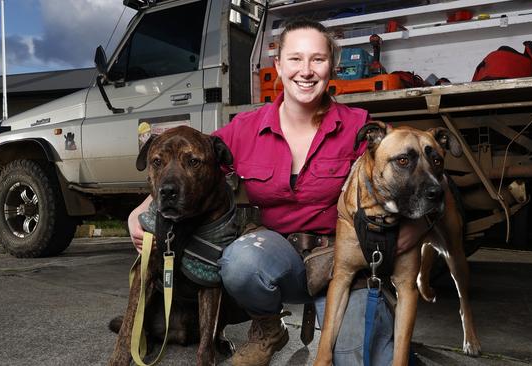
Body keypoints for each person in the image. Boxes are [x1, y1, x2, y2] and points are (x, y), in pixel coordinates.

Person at [128, 19, 394, 366]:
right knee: (239, 260)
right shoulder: (245, 129)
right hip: (274, 256)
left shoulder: (359, 126)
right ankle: (268, 331)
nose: (306, 71)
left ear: (333, 65)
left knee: (361, 360)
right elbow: (190, 161)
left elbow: (416, 175)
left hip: (340, 263)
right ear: (279, 66)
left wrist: (400, 245)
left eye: (318, 59)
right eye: (295, 59)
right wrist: (142, 209)